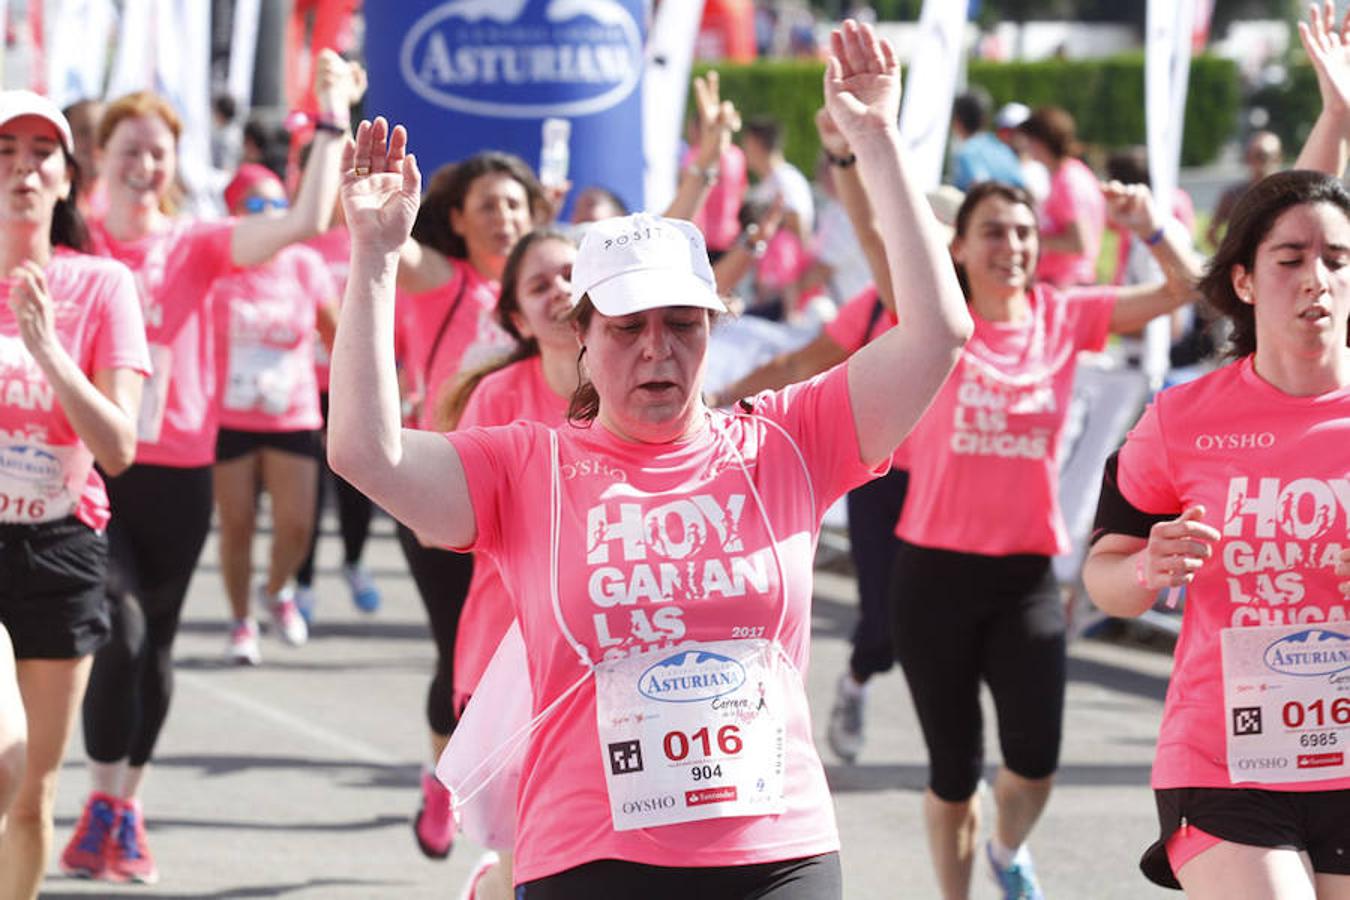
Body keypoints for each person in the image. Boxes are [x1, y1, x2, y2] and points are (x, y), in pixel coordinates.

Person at [329, 19, 972, 895]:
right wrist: (373, 257)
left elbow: (939, 331)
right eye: (628, 328)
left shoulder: (786, 438)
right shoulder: (529, 467)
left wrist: (876, 138)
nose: (658, 352)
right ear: (582, 339)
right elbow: (366, 453)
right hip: (592, 853)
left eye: (682, 325)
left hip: (775, 847)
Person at [393, 72, 740, 861]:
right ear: (514, 314)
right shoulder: (489, 390)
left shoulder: (632, 378)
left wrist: (706, 165)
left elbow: (660, 254)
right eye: (537, 285)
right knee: (521, 824)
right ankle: (456, 788)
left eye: (566, 281)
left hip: (613, 622)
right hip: (505, 606)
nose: (554, 292)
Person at [58, 53, 356, 885]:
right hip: (90, 466)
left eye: (159, 151)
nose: (145, 165)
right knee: (115, 628)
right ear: (99, 157)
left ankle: (119, 806)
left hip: (181, 469)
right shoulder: (72, 237)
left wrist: (329, 116)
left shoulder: (194, 245)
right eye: (131, 149)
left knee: (152, 647)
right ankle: (99, 797)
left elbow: (301, 221)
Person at [1082, 8, 1350, 897]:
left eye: (1340, 261)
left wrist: (1340, 115)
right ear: (1244, 278)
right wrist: (1150, 565)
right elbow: (1104, 573)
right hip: (1225, 759)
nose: (1318, 277)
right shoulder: (1184, 418)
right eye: (1292, 260)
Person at [887, 175, 1201, 900]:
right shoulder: (937, 324)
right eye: (994, 231)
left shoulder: (1063, 316)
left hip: (1024, 575)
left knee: (1036, 763)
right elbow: (882, 239)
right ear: (958, 247)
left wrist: (1150, 228)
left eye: (1025, 232)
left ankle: (1005, 849)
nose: (1014, 246)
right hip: (932, 575)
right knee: (953, 771)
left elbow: (1188, 290)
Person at [0, 90, 149, 900]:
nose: (23, 168)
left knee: (32, 799)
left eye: (40, 153)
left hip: (60, 546)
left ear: (65, 178)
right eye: (4, 152)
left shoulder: (103, 287)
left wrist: (50, 351)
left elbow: (118, 448)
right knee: (1, 758)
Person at [212, 163, 338, 664]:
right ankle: (241, 620)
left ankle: (278, 589)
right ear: (235, 215)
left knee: (297, 527)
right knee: (237, 524)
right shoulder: (220, 261)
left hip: (293, 412)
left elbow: (335, 331)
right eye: (255, 207)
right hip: (230, 416)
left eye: (276, 205)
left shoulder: (305, 264)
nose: (269, 216)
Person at [1016, 106, 1105, 288]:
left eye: (1028, 140)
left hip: (1069, 284)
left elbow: (1079, 242)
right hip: (1068, 282)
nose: (1025, 147)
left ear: (1040, 142)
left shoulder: (1068, 182)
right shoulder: (1072, 173)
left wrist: (1033, 237)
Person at [1205, 130, 1283, 251]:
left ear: (1278, 158)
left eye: (1267, 156)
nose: (1263, 163)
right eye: (1258, 156)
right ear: (1248, 158)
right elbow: (1211, 233)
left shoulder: (1289, 196)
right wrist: (1230, 256)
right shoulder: (1233, 196)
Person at [949, 89, 1024, 192]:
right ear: (985, 118)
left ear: (957, 121)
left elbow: (981, 188)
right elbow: (1022, 185)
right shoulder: (1002, 147)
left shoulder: (967, 152)